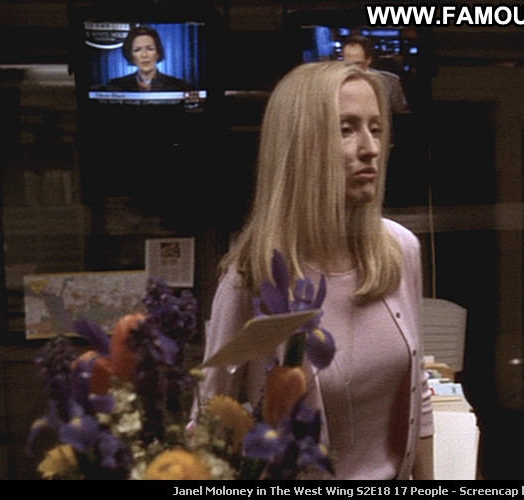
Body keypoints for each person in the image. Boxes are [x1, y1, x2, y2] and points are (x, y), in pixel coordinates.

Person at [198, 61, 434, 480]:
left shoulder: (400, 251)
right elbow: (210, 428)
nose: (370, 148)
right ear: (301, 146)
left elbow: (419, 397)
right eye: (346, 129)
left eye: (376, 129)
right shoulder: (251, 278)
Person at [106, 26, 190, 91]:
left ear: (158, 53)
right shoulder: (116, 85)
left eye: (150, 49)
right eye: (137, 50)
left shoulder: (179, 86)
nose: (144, 55)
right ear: (130, 55)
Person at [341, 35, 409, 114]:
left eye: (357, 63)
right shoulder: (334, 82)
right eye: (347, 63)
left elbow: (401, 113)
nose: (351, 68)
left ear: (368, 60)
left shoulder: (390, 81)